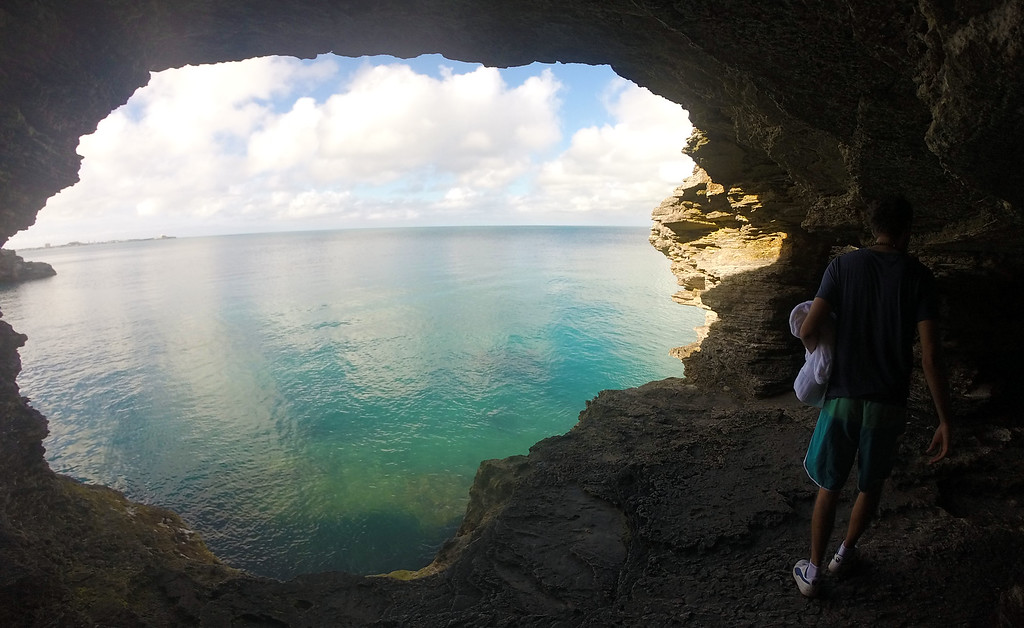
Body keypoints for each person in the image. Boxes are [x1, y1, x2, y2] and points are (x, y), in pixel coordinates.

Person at [791, 195, 953, 598]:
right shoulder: (919, 276)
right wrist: (945, 418)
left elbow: (808, 328)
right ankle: (845, 555)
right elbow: (931, 355)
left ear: (872, 225)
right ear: (907, 231)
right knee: (869, 485)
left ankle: (812, 572)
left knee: (830, 485)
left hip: (844, 396)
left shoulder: (843, 266)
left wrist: (821, 356)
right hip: (888, 403)